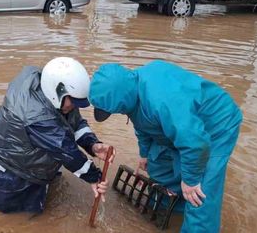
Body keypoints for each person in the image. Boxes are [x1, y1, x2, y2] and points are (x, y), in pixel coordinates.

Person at [89, 60, 242, 233]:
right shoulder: (131, 88)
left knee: (199, 196)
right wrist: (145, 153)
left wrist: (191, 181)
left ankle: (196, 221)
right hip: (185, 128)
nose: (119, 112)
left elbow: (196, 142)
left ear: (122, 100)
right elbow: (141, 123)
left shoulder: (162, 100)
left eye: (117, 109)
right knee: (158, 164)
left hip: (215, 126)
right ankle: (173, 207)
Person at [0, 57, 113, 214]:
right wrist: (95, 177)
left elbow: (75, 122)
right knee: (7, 218)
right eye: (72, 101)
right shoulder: (38, 117)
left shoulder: (51, 90)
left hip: (22, 160)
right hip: (2, 173)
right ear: (57, 91)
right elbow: (67, 151)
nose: (74, 106)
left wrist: (92, 145)